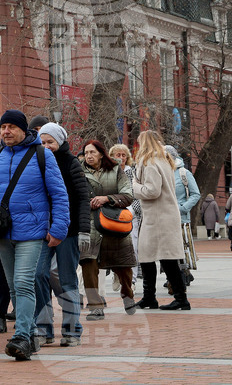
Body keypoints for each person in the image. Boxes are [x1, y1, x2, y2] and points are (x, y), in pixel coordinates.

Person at [0, 110, 69, 362]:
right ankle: (31, 333)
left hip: (32, 233)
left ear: (24, 130)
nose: (5, 132)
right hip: (2, 234)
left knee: (24, 282)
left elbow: (59, 194)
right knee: (14, 285)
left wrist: (58, 228)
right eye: (3, 127)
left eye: (12, 127)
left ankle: (22, 335)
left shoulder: (42, 155)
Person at [33, 123, 89, 347]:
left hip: (69, 230)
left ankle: (72, 331)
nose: (46, 146)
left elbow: (83, 197)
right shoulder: (35, 161)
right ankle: (43, 328)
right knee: (38, 275)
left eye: (50, 142)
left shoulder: (71, 163)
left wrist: (84, 230)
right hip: (42, 231)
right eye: (42, 142)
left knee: (67, 280)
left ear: (60, 142)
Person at [132, 131, 190, 310]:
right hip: (164, 215)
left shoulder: (149, 162)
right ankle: (157, 297)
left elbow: (152, 191)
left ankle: (177, 299)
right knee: (158, 258)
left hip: (157, 217)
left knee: (156, 258)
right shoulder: (165, 160)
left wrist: (133, 186)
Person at [79, 139, 136, 319]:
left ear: (101, 154)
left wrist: (107, 199)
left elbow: (128, 195)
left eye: (92, 152)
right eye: (86, 152)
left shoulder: (115, 170)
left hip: (113, 225)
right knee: (88, 265)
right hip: (89, 226)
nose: (88, 156)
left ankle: (128, 295)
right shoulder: (78, 171)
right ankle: (96, 306)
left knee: (123, 268)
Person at [166, 145, 200, 285]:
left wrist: (182, 208)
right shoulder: (161, 172)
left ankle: (184, 274)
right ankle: (172, 276)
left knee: (182, 247)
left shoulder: (183, 173)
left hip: (181, 217)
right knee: (168, 248)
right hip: (165, 217)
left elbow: (195, 194)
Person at [109, 144, 141, 274]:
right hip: (112, 213)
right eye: (118, 155)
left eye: (123, 155)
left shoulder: (133, 172)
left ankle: (131, 280)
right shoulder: (108, 172)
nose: (121, 158)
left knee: (132, 247)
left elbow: (138, 195)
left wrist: (132, 211)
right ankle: (118, 274)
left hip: (130, 215)